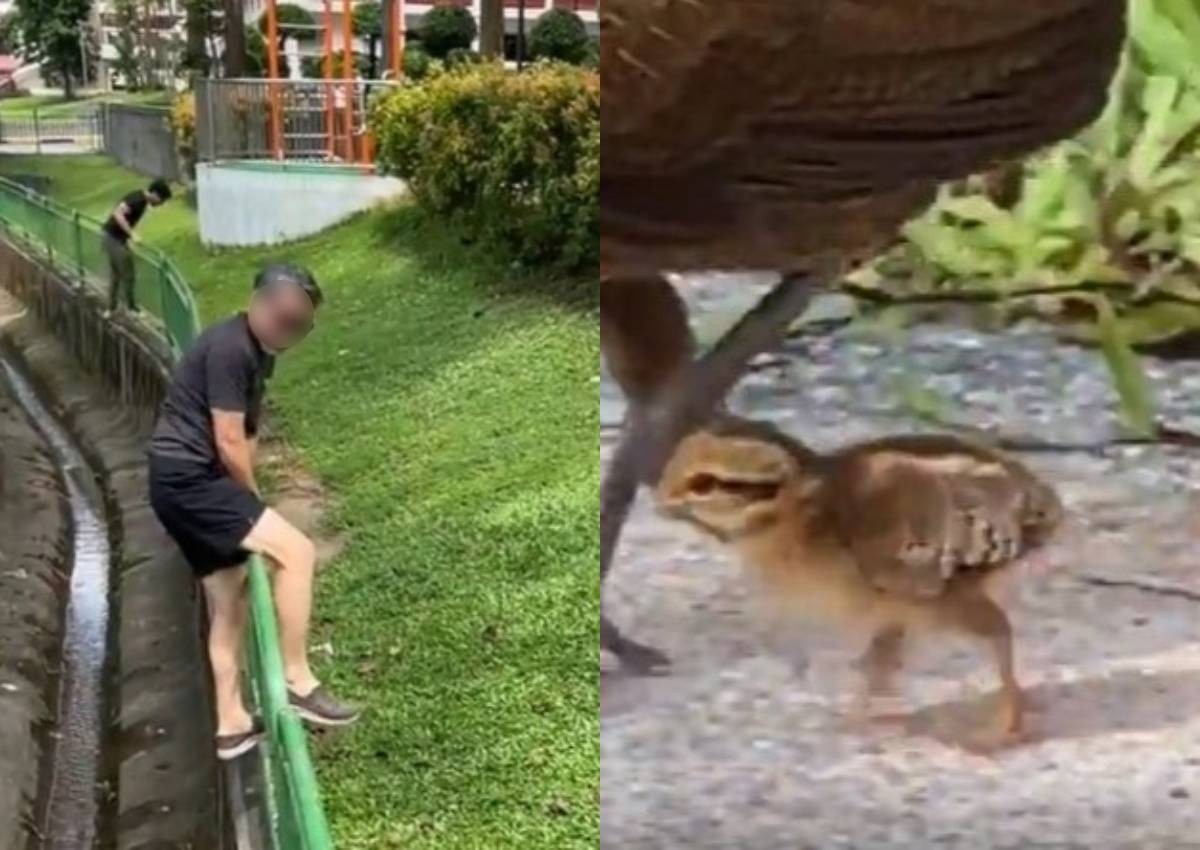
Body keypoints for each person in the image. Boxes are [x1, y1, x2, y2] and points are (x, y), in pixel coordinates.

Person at [147, 263, 359, 761]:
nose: (284, 327)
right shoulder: (231, 347)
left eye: (297, 324)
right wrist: (252, 501)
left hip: (178, 482)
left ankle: (232, 725)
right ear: (258, 302)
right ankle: (297, 681)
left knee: (230, 599)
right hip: (191, 479)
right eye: (280, 313)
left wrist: (250, 495)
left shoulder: (258, 356)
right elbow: (226, 440)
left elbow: (248, 433)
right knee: (297, 552)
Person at [101, 178, 172, 315]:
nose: (161, 204)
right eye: (161, 200)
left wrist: (127, 236)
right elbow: (118, 214)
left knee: (116, 274)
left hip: (115, 238)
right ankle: (130, 307)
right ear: (155, 194)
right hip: (112, 238)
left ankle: (111, 307)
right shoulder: (137, 200)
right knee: (128, 272)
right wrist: (132, 234)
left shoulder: (141, 199)